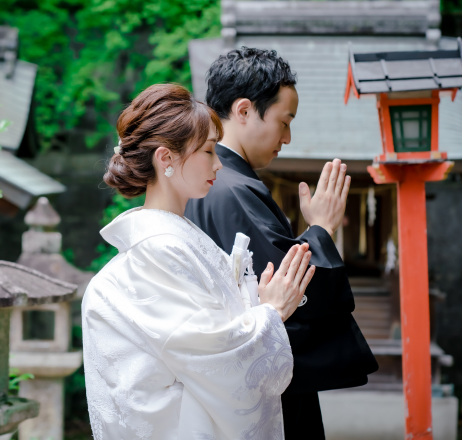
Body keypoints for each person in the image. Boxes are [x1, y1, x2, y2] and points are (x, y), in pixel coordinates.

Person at [83, 83, 316, 440]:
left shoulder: (174, 239)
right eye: (209, 151)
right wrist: (270, 312)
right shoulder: (159, 251)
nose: (219, 163)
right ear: (166, 159)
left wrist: (255, 302)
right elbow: (213, 350)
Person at [185, 47, 379, 440]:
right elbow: (287, 300)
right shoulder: (231, 189)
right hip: (260, 396)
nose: (287, 138)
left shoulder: (215, 183)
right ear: (243, 111)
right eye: (284, 121)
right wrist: (321, 229)